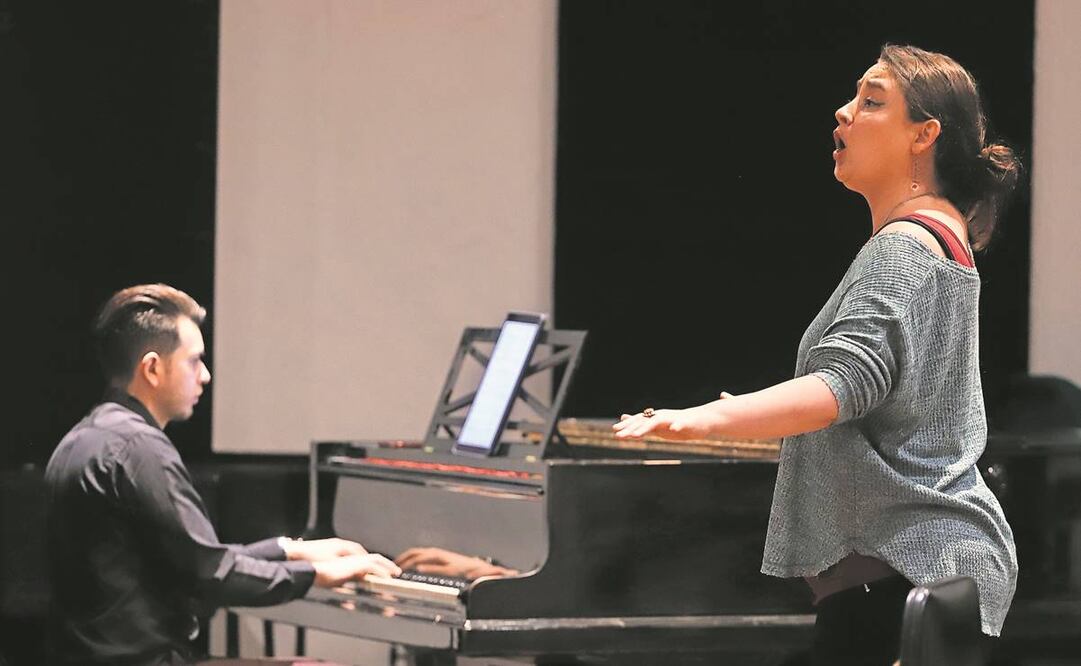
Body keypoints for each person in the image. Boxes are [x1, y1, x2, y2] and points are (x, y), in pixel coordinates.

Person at [613, 44, 1019, 665]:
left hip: (901, 574)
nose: (843, 111)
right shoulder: (938, 237)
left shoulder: (905, 248)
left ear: (924, 135)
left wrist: (697, 419)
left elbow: (845, 383)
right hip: (923, 569)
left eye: (872, 101)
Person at [45, 284, 401, 666]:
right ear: (152, 368)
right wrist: (319, 574)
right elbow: (212, 577)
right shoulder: (138, 449)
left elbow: (193, 560)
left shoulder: (86, 438)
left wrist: (291, 549)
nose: (206, 376)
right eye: (194, 361)